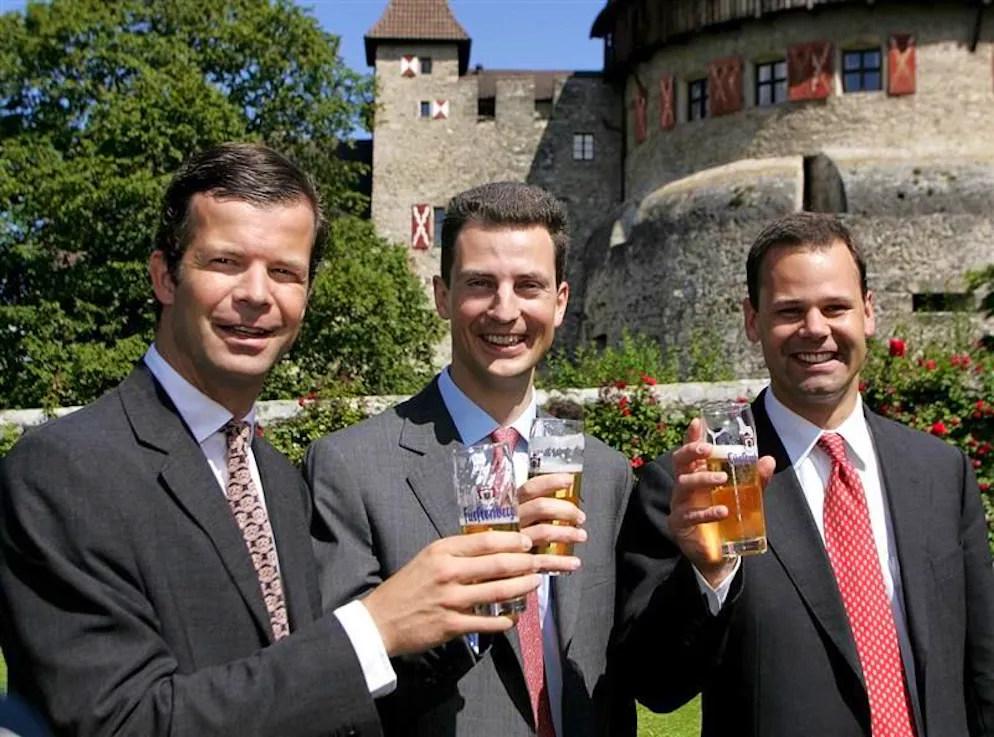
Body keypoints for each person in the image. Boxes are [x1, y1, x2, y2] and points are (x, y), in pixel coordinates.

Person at [0, 145, 571, 737]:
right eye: (225, 262)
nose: (256, 293)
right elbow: (124, 723)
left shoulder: (273, 475)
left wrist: (462, 608)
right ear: (165, 277)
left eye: (284, 272)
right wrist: (371, 629)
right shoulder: (64, 470)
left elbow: (305, 690)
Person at [618, 212, 994, 736]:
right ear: (753, 321)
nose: (815, 329)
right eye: (790, 310)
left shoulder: (939, 471)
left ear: (868, 311)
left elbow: (983, 668)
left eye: (835, 307)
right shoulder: (698, 484)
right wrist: (707, 575)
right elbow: (657, 686)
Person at [305, 181, 635, 736]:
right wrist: (481, 603)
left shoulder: (605, 472)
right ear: (441, 295)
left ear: (559, 302)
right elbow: (340, 685)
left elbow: (636, 663)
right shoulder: (351, 469)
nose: (505, 311)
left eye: (528, 286)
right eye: (480, 284)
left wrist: (706, 572)